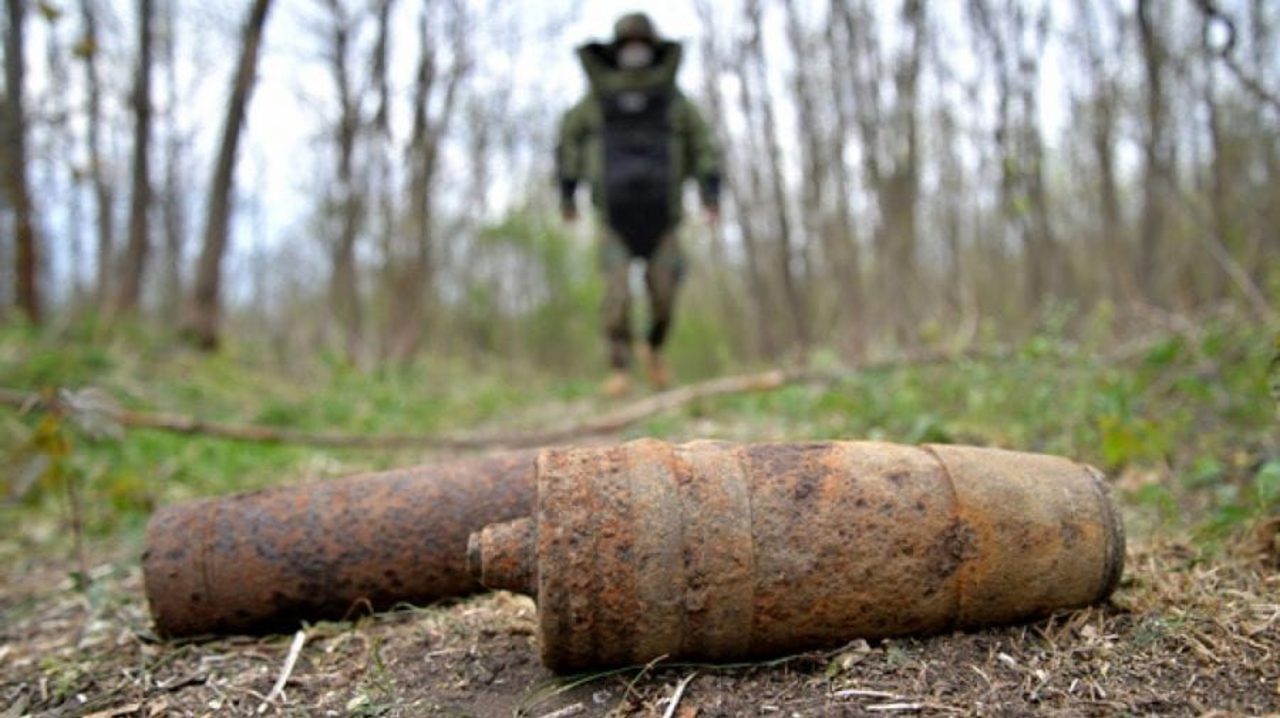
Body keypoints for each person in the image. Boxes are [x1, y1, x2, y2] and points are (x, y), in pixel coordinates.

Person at [556, 12, 722, 397]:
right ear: (616, 52)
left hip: (664, 219)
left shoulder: (675, 102)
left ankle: (654, 350)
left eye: (641, 46)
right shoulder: (594, 103)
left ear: (652, 49)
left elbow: (703, 146)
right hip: (613, 218)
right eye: (627, 47)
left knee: (664, 295)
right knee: (616, 296)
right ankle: (618, 368)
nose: (635, 54)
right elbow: (568, 141)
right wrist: (567, 193)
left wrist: (710, 194)